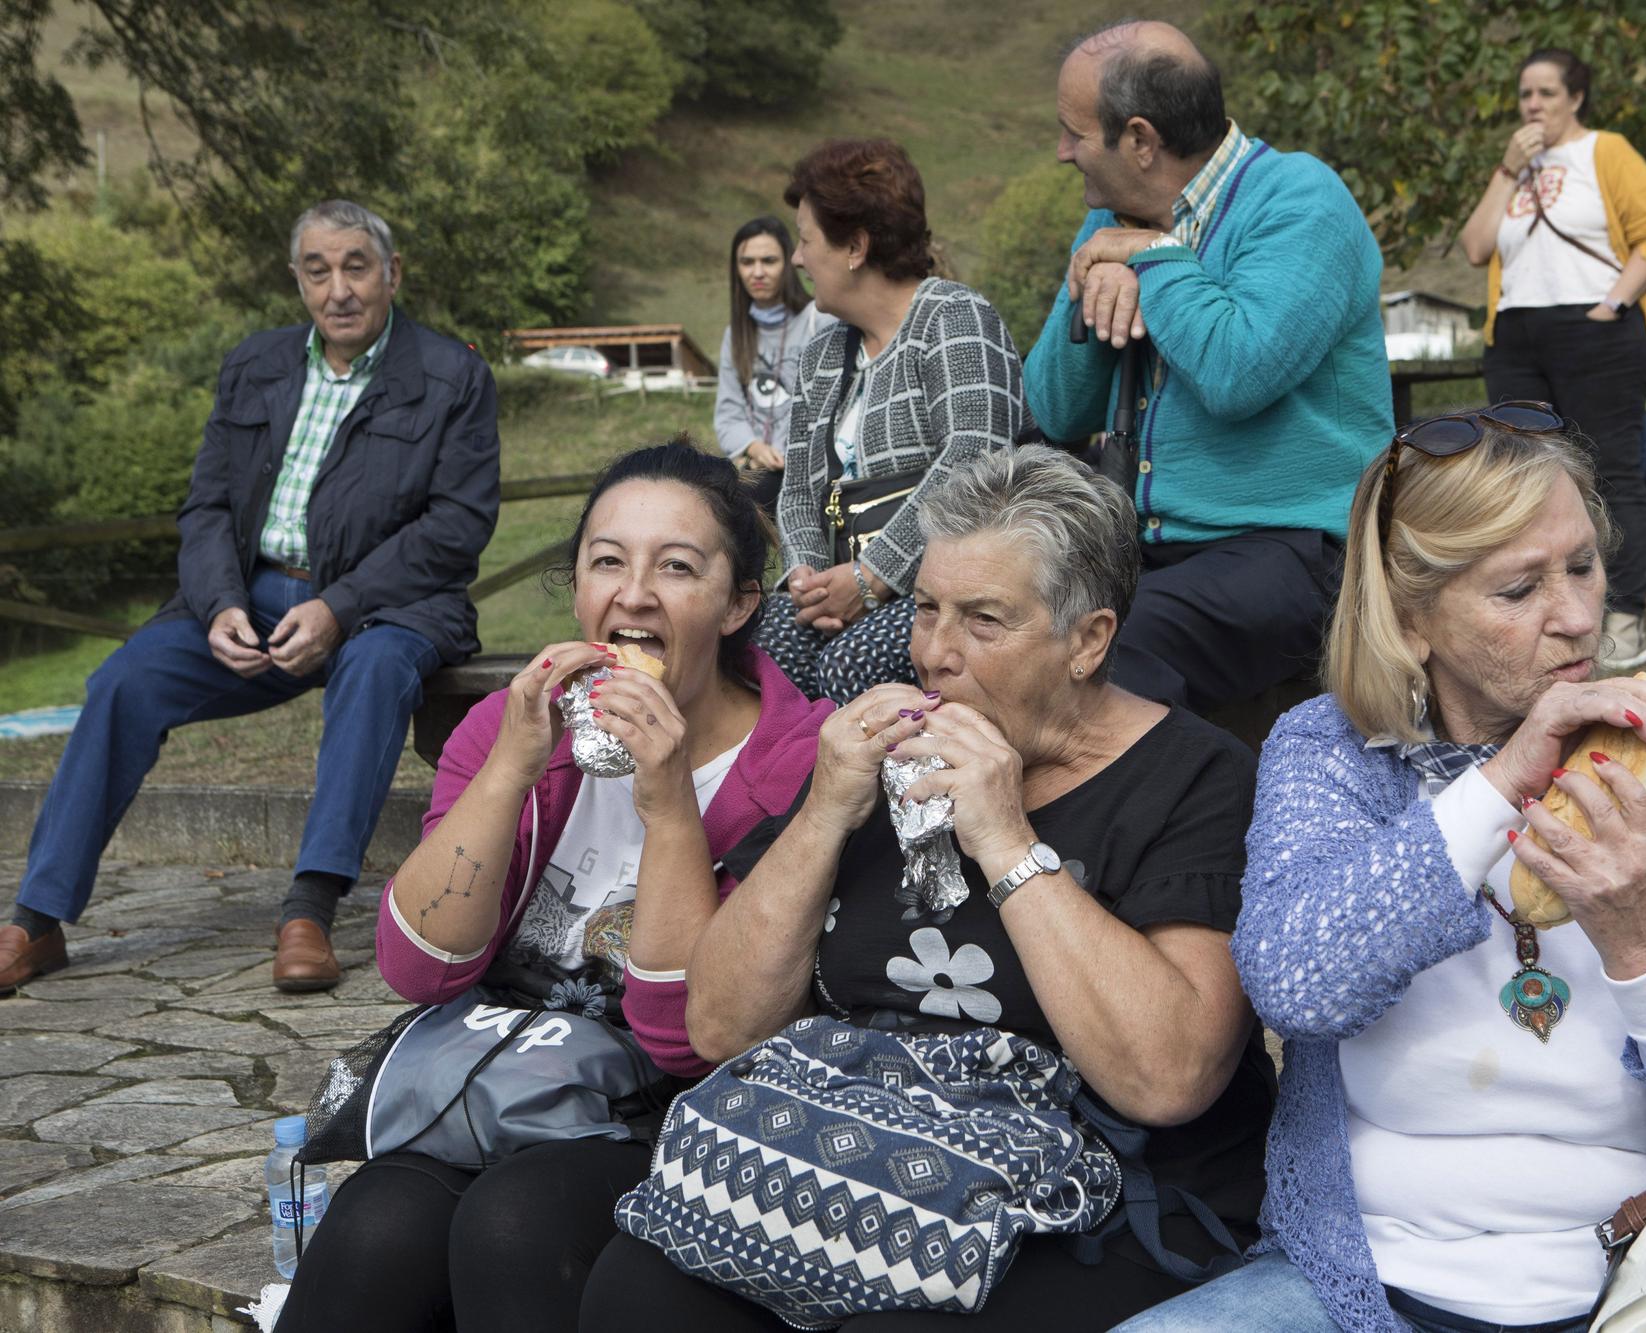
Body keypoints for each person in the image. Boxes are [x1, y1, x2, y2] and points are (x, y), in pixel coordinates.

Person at [1112, 406, 1646, 1333]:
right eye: (1519, 589)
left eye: (1582, 566)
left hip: (1643, 1288)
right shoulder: (1333, 754)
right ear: (1413, 625)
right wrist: (1495, 791)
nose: (1573, 617)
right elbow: (1295, 983)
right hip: (1362, 1275)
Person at [581, 446, 1275, 1331]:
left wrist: (1006, 839)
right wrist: (827, 810)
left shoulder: (1197, 778)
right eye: (926, 608)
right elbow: (721, 1025)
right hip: (860, 1166)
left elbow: (1167, 1077)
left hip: (1098, 1199)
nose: (936, 654)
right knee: (638, 1290)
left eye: (984, 620)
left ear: (1090, 640)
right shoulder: (877, 756)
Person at [276, 441, 831, 1333]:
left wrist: (671, 804)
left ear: (738, 606)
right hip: (500, 1078)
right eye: (607, 561)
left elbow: (688, 1038)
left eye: (677, 567)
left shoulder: (799, 762)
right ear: (577, 589)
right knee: (373, 1224)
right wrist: (508, 767)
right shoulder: (513, 725)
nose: (635, 592)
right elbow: (419, 970)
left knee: (515, 1223)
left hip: (677, 1112)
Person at [0, 199, 499, 997]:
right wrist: (219, 603)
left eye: (356, 267)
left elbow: (459, 525)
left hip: (391, 605)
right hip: (252, 596)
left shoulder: (450, 375)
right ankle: (36, 918)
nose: (338, 289)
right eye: (317, 271)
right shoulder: (255, 365)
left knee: (371, 669)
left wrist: (338, 604)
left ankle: (308, 907)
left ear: (392, 273)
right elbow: (205, 508)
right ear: (298, 281)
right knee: (123, 681)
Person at [1025, 20, 1391, 714]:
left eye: (1074, 132)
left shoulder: (1301, 198)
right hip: (1151, 549)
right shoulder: (1112, 218)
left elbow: (1237, 372)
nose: (1062, 151)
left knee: (1112, 652)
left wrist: (1156, 258)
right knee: (1015, 637)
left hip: (1301, 548)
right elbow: (1055, 407)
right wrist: (1105, 277)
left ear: (1139, 140)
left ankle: (1164, 816)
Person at [757, 139, 1026, 706]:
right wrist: (807, 580)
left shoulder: (953, 317)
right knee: (768, 643)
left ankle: (909, 794)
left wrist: (872, 577)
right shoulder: (823, 353)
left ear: (854, 245)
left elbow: (975, 457)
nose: (798, 259)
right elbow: (802, 490)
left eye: (806, 240)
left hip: (954, 585)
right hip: (842, 583)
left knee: (856, 664)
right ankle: (791, 794)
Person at [1457, 48, 1646, 671]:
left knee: (1610, 471)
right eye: (1525, 94)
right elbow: (1475, 248)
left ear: (1575, 98)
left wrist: (1612, 305)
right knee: (1523, 475)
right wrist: (1506, 169)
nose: (1533, 105)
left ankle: (1625, 617)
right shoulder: (1516, 169)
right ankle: (1537, 610)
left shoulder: (1607, 151)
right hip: (1518, 332)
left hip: (1596, 327)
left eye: (1547, 93)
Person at [714, 215, 822, 513]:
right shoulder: (735, 335)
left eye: (769, 260)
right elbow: (728, 414)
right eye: (747, 262)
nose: (757, 272)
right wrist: (755, 448)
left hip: (810, 470)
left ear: (789, 263)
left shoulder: (819, 319)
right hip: (761, 469)